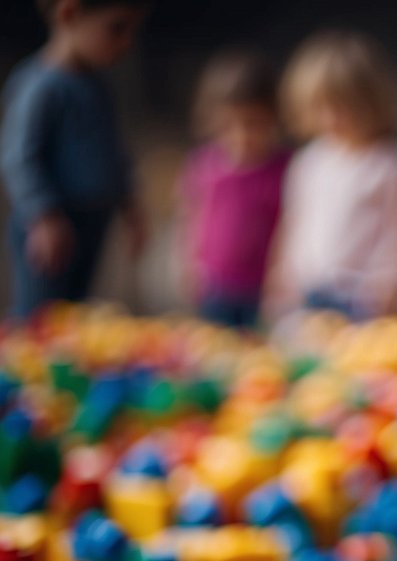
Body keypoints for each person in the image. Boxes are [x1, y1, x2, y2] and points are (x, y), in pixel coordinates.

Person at [265, 31, 397, 321]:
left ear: (370, 102)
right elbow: (294, 225)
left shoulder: (389, 164)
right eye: (321, 108)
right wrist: (282, 282)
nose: (331, 119)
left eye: (342, 108)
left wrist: (387, 289)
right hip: (309, 292)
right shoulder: (308, 162)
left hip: (362, 298)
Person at [1, 0, 150, 318]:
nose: (127, 42)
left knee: (75, 312)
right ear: (69, 14)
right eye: (117, 28)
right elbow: (19, 157)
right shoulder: (39, 85)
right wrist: (44, 215)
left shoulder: (98, 87)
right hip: (52, 229)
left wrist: (130, 206)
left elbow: (114, 151)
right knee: (40, 317)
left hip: (93, 221)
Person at [180, 50, 290, 328]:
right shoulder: (204, 165)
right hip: (215, 287)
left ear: (273, 118)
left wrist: (283, 278)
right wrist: (189, 266)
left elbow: (291, 227)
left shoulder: (284, 170)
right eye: (228, 125)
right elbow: (192, 216)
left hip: (263, 291)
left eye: (253, 124)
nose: (241, 136)